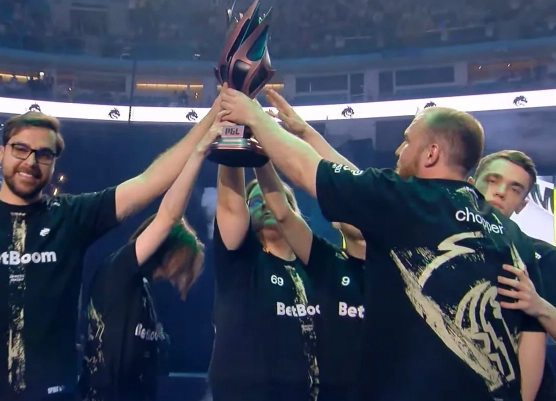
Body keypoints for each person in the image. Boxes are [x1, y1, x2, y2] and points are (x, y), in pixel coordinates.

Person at [219, 85, 547, 401]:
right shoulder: (512, 236)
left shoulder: (406, 201)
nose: (399, 150)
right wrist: (306, 132)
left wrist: (254, 117)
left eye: (407, 141)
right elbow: (532, 336)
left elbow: (309, 170)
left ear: (431, 153)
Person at [0, 102, 222, 401]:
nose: (31, 161)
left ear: (53, 164)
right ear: (1, 153)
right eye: (21, 149)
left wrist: (212, 118)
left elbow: (150, 181)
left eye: (44, 154)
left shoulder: (71, 216)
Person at [80, 117, 220, 401]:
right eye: (184, 260)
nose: (182, 272)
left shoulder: (145, 291)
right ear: (169, 249)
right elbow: (168, 217)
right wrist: (199, 152)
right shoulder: (119, 271)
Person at [259, 89, 366, 401]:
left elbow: (361, 188)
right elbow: (282, 212)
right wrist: (260, 151)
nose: (353, 211)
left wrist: (307, 132)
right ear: (335, 222)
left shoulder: (397, 263)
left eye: (359, 207)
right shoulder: (326, 261)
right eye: (345, 208)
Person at [469, 150, 556, 401]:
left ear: (522, 204)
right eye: (492, 180)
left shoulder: (541, 255)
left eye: (515, 189)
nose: (500, 192)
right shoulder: (439, 248)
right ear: (469, 186)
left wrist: (538, 306)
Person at [209, 144, 319, 400]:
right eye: (257, 201)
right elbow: (231, 204)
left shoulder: (317, 267)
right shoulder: (239, 259)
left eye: (278, 199)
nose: (267, 205)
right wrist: (234, 136)